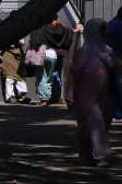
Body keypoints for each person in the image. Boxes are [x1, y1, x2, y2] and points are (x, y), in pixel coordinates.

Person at [64, 18, 122, 165]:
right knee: (95, 124)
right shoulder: (83, 52)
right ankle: (100, 155)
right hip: (86, 96)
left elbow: (117, 69)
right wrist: (69, 94)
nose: (104, 32)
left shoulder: (108, 50)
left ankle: (86, 154)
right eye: (101, 30)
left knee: (98, 124)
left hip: (106, 94)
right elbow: (73, 74)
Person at [27, 16, 79, 104]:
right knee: (49, 77)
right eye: (55, 20)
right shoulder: (54, 28)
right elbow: (64, 33)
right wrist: (76, 30)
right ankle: (52, 96)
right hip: (52, 55)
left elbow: (33, 41)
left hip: (40, 54)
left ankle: (44, 98)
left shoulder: (39, 28)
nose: (56, 21)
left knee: (41, 77)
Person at [0, 39, 30, 103]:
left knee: (20, 76)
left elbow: (22, 42)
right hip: (8, 55)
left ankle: (22, 95)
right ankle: (10, 97)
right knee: (9, 77)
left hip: (18, 56)